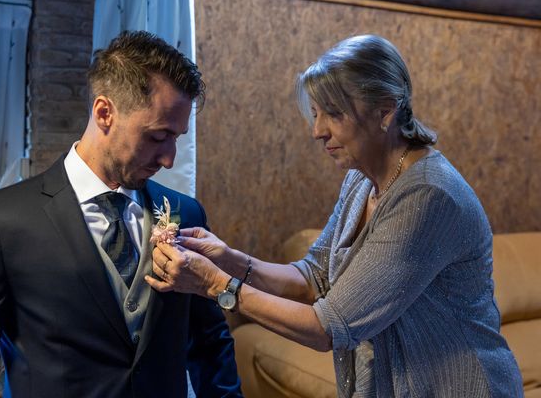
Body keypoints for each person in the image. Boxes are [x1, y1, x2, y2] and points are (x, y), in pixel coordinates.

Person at [147, 35, 524, 397]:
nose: (317, 131)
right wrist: (226, 257)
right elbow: (313, 277)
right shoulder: (360, 180)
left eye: (334, 113)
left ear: (385, 111)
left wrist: (214, 284)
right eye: (315, 114)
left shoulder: (427, 196)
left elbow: (329, 327)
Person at [0, 31, 242, 397]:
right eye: (157, 136)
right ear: (104, 112)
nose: (169, 158)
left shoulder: (186, 213)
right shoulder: (1, 223)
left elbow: (209, 346)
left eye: (176, 138)